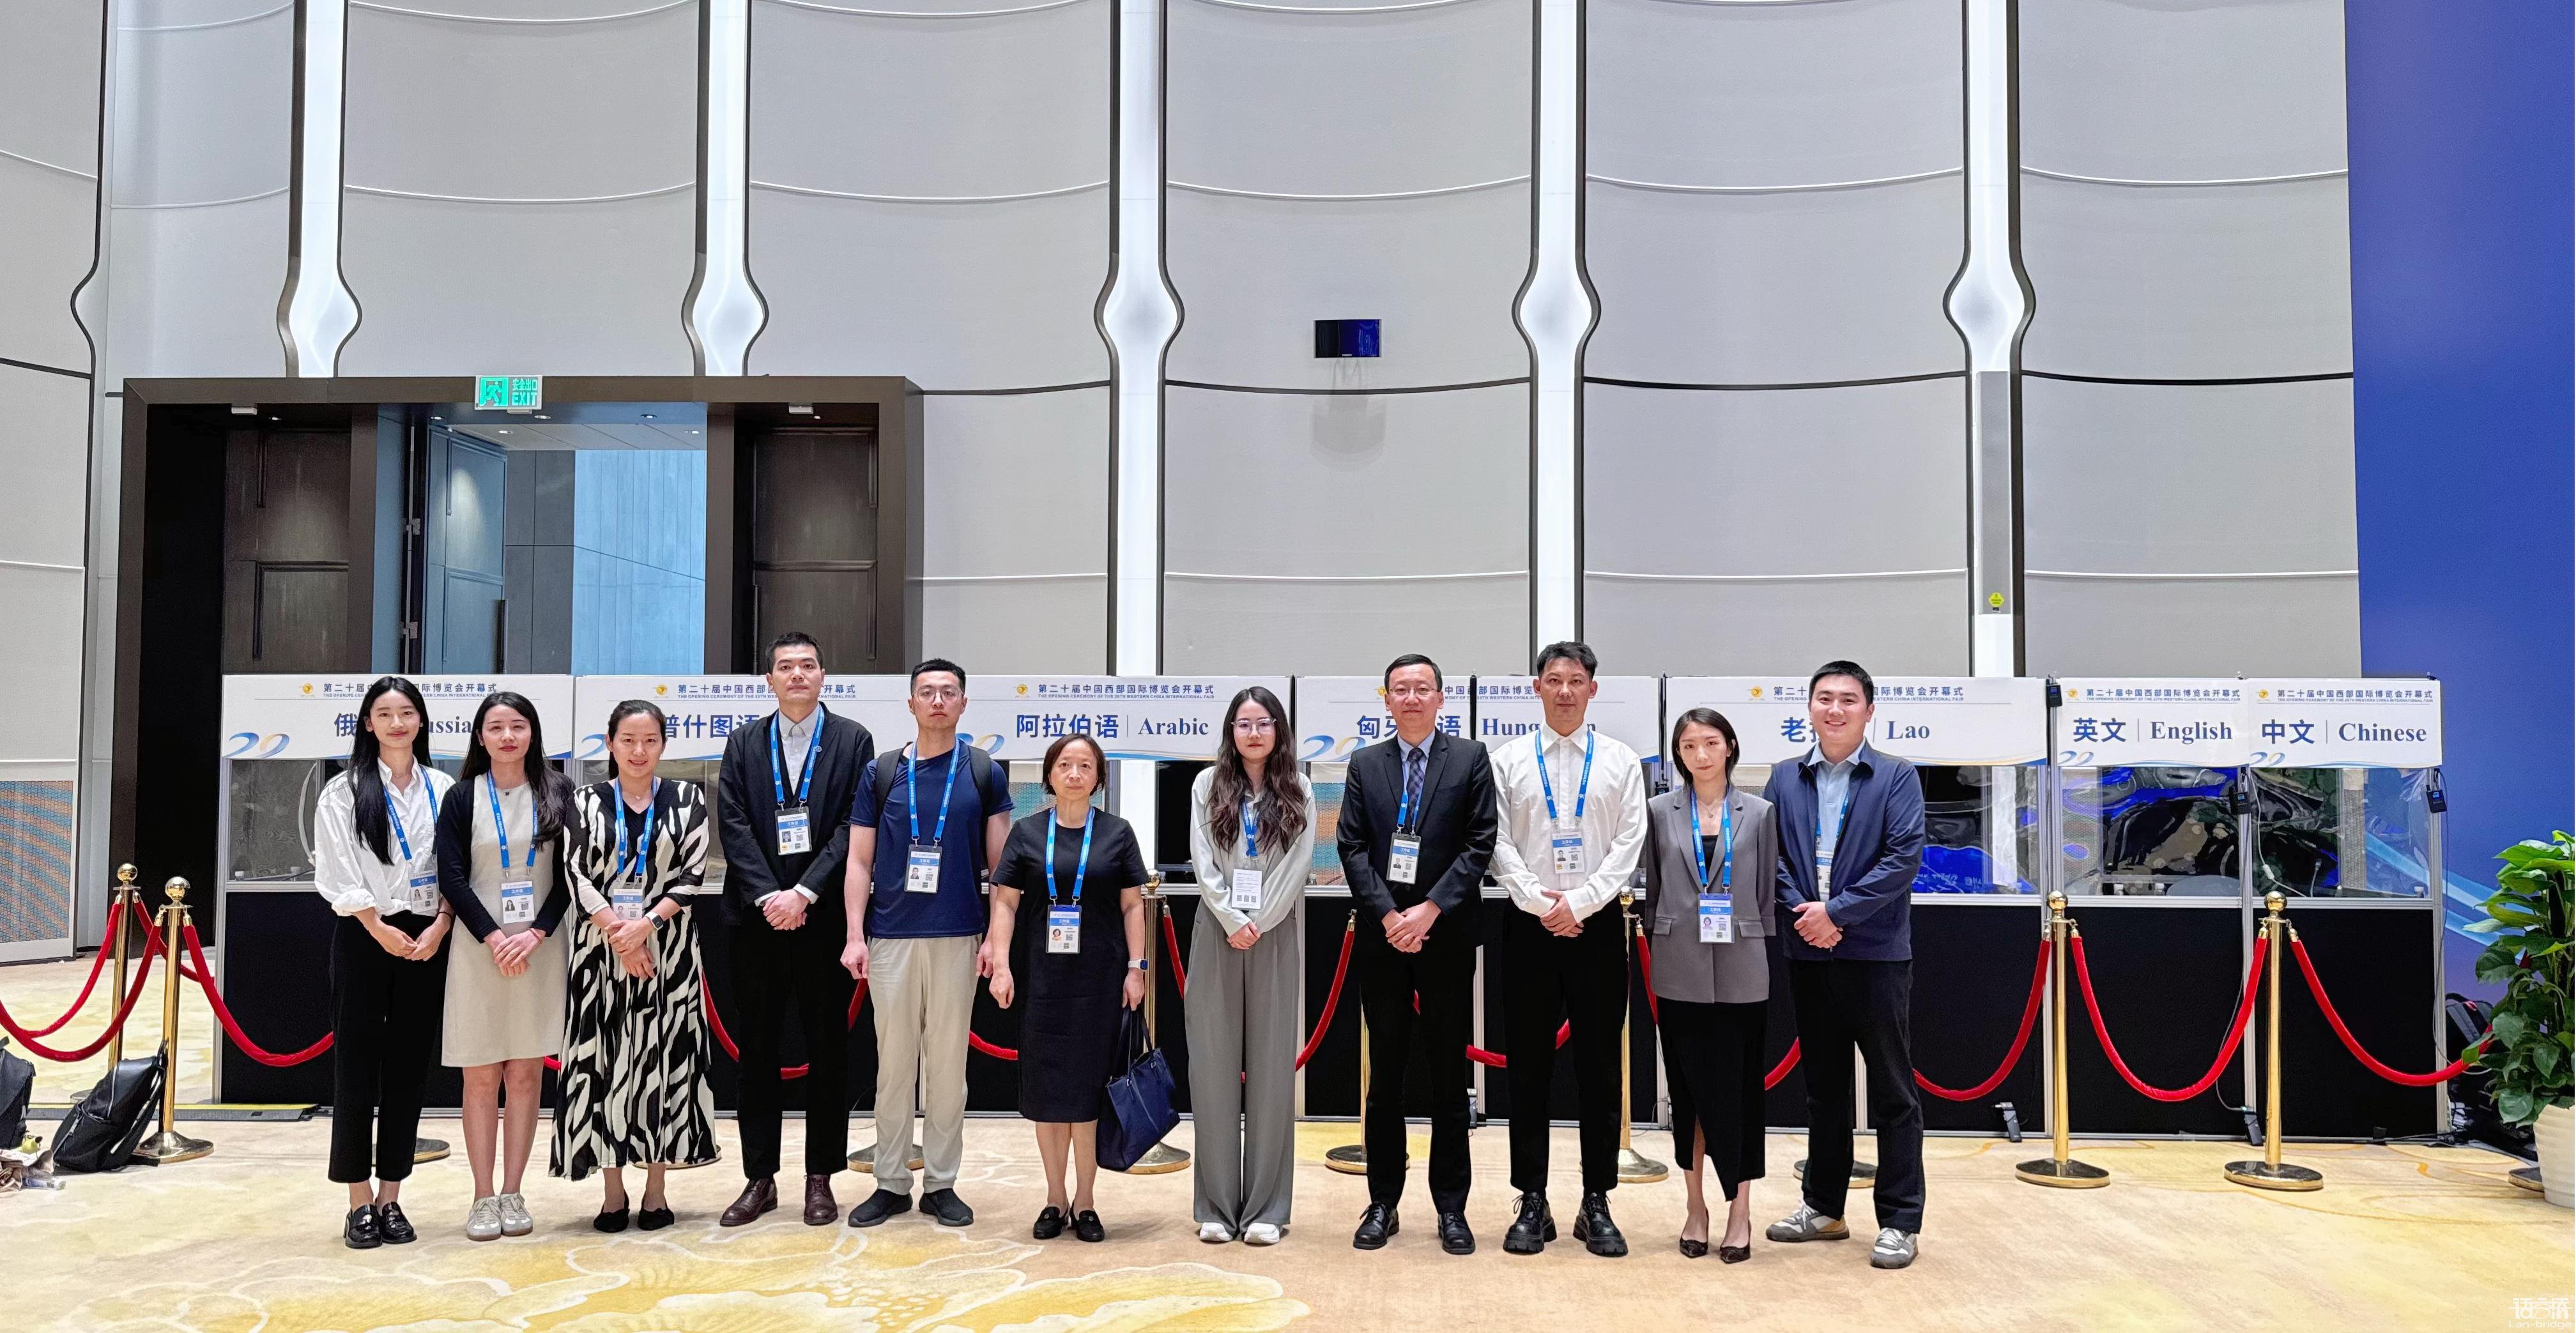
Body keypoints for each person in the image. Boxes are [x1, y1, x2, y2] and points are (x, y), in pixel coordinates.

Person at [1763, 659, 1928, 1270]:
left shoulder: (1896, 775)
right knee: (1824, 1089)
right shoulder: (1784, 776)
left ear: (1869, 710)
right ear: (1809, 707)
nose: (1835, 709)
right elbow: (1771, 856)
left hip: (1875, 952)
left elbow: (1902, 858)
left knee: (1892, 1091)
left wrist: (1837, 913)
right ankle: (1824, 1207)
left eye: (1848, 699)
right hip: (1808, 950)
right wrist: (1807, 915)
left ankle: (1900, 1220)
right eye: (1825, 698)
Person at [1487, 641, 1648, 1258]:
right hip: (1528, 926)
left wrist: (1580, 903)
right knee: (1527, 1066)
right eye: (1553, 679)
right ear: (1537, 687)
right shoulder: (1507, 760)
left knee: (1600, 1067)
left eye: (1576, 680)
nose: (1564, 691)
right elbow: (1496, 840)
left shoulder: (1620, 760)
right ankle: (1532, 1198)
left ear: (1592, 689)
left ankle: (1596, 1199)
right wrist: (1539, 902)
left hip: (1597, 925)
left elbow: (1629, 842)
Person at [839, 659, 1012, 1230]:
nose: (938, 700)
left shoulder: (984, 771)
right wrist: (855, 934)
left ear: (963, 703)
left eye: (948, 692)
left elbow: (1002, 868)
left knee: (947, 1069)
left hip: (958, 935)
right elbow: (858, 860)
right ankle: (890, 1181)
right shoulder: (883, 771)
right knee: (893, 1066)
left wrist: (995, 941)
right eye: (927, 692)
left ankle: (941, 1182)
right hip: (891, 937)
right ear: (910, 703)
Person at [1337, 653, 1498, 1256]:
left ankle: (1451, 1207)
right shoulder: (1365, 763)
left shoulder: (1470, 758)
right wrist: (1388, 915)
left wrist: (1429, 910)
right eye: (1400, 689)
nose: (1411, 697)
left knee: (1449, 1077)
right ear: (1386, 699)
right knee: (1385, 1077)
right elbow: (1352, 845)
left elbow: (1480, 842)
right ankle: (1383, 1201)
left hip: (1445, 936)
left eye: (1422, 688)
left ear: (1440, 698)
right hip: (1383, 940)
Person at [714, 631, 877, 1227]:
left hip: (824, 917)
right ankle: (759, 1178)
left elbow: (853, 826)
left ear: (823, 674)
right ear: (770, 680)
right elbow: (732, 822)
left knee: (828, 1049)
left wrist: (805, 892)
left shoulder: (853, 740)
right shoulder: (743, 741)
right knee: (756, 1050)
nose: (798, 675)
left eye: (808, 665)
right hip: (756, 920)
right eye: (786, 666)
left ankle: (820, 1177)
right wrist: (770, 896)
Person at [551, 699, 718, 1231]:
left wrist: (644, 926)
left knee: (663, 1063)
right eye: (628, 740)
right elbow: (575, 873)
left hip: (669, 951)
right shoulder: (584, 800)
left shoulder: (688, 798)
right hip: (600, 954)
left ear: (663, 745)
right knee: (604, 1065)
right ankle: (612, 1190)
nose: (639, 750)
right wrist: (620, 935)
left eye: (649, 740)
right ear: (610, 743)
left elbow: (693, 874)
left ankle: (656, 1188)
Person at [983, 733, 1151, 1243]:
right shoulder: (1028, 832)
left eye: (1085, 766)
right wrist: (1002, 964)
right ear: (1050, 775)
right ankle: (1055, 1197)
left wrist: (1137, 967)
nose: (1074, 773)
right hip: (1042, 981)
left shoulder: (1117, 832)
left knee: (1088, 1094)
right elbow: (1006, 901)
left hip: (1100, 981)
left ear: (1098, 778)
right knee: (1048, 1093)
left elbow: (1132, 905)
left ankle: (1087, 1200)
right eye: (1064, 765)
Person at [313, 675, 454, 1249]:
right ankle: (357, 1200)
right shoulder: (343, 790)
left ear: (421, 721)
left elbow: (457, 867)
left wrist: (441, 923)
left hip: (428, 935)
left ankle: (391, 1195)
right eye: (385, 713)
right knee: (355, 1067)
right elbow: (337, 871)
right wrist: (377, 927)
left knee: (408, 1068)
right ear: (368, 723)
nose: (397, 723)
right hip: (364, 932)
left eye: (407, 712)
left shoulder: (443, 788)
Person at [436, 689, 576, 1242]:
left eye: (518, 725)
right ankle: (481, 1195)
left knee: (524, 1073)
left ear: (532, 732)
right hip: (479, 950)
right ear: (480, 737)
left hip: (540, 948)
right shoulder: (462, 796)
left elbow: (571, 875)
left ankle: (514, 1191)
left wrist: (536, 932)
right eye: (496, 727)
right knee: (480, 1074)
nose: (508, 736)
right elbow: (451, 876)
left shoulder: (558, 791)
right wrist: (494, 936)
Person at [1641, 708, 1777, 1262]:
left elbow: (1766, 893)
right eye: (1689, 745)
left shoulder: (1760, 812)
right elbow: (1652, 889)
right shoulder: (1659, 811)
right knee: (1690, 1093)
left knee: (1741, 1093)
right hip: (1679, 964)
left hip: (1743, 963)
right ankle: (1695, 1207)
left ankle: (1740, 1211)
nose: (1700, 754)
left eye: (1711, 742)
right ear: (1679, 754)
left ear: (1730, 747)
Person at [1184, 685, 1315, 1246]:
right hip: (1217, 928)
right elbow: (1202, 859)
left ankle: (1266, 1207)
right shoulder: (1207, 784)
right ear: (1231, 731)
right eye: (1244, 723)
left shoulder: (1299, 787)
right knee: (1212, 1068)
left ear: (1278, 730)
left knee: (1271, 1071)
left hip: (1274, 931)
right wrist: (1231, 915)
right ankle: (1216, 1205)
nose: (1254, 733)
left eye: (1263, 723)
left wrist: (1259, 918)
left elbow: (1298, 864)